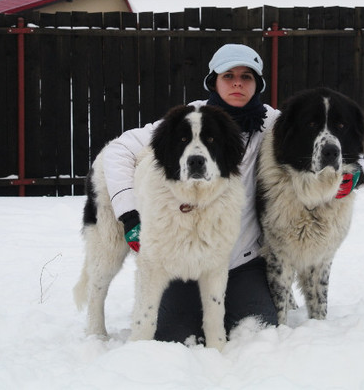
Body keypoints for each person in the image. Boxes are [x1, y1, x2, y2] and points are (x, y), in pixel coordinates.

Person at [101, 43, 280, 344]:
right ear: (213, 81)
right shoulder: (185, 120)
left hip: (242, 262)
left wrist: (355, 172)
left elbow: (327, 137)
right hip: (180, 259)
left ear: (258, 84)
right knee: (174, 336)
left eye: (247, 76)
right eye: (229, 75)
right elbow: (117, 150)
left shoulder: (271, 123)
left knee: (260, 332)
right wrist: (130, 214)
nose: (238, 82)